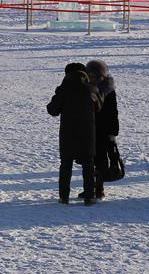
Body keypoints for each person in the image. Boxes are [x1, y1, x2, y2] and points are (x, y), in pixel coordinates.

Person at [47, 62, 101, 206]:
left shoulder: (64, 90)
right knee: (88, 164)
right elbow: (98, 108)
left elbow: (52, 110)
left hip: (68, 132)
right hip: (87, 132)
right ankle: (89, 196)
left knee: (66, 164)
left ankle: (64, 197)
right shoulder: (92, 89)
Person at [85, 59, 118, 201]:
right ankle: (89, 187)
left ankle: (99, 189)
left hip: (103, 130)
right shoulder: (86, 89)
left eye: (97, 76)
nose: (94, 79)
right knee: (88, 160)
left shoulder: (108, 91)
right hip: (89, 128)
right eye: (91, 76)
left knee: (101, 160)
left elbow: (113, 112)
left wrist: (113, 132)